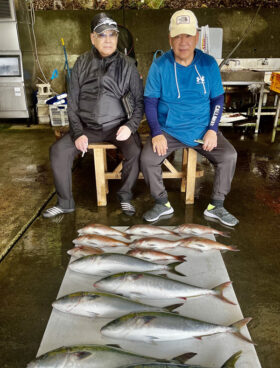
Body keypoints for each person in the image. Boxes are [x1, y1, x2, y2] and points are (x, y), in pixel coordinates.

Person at [141, 9, 238, 226]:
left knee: (229, 156)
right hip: (169, 130)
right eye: (177, 36)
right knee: (147, 159)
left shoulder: (208, 64)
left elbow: (217, 100)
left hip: (202, 129)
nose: (182, 42)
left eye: (187, 36)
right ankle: (161, 203)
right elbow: (150, 102)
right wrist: (156, 132)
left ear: (197, 37)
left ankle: (217, 205)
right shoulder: (160, 65)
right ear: (170, 38)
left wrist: (213, 128)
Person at [42, 13, 143, 218]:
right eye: (102, 35)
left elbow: (140, 102)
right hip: (87, 127)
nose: (108, 40)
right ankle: (65, 202)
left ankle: (125, 197)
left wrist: (130, 126)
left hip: (117, 126)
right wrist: (78, 132)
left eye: (112, 35)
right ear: (92, 38)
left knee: (135, 152)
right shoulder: (81, 63)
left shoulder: (129, 65)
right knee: (58, 151)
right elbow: (72, 103)